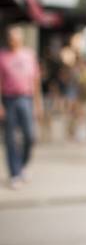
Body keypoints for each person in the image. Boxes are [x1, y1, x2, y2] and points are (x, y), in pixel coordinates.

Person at [0, 27, 43, 189]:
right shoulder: (2, 56)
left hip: (26, 98)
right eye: (10, 37)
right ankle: (15, 173)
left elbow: (36, 81)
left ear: (21, 38)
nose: (13, 40)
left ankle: (22, 165)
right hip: (9, 99)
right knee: (10, 139)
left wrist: (38, 105)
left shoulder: (29, 55)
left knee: (30, 137)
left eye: (16, 37)